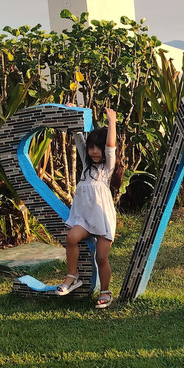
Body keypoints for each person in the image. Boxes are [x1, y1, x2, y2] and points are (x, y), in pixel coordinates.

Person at [55, 107, 123, 308]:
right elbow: (78, 137)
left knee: (101, 257)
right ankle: (72, 275)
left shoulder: (106, 169)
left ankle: (105, 291)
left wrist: (112, 122)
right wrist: (74, 116)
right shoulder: (86, 166)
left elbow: (111, 146)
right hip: (83, 218)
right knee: (71, 238)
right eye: (91, 147)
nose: (94, 151)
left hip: (102, 219)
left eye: (98, 148)